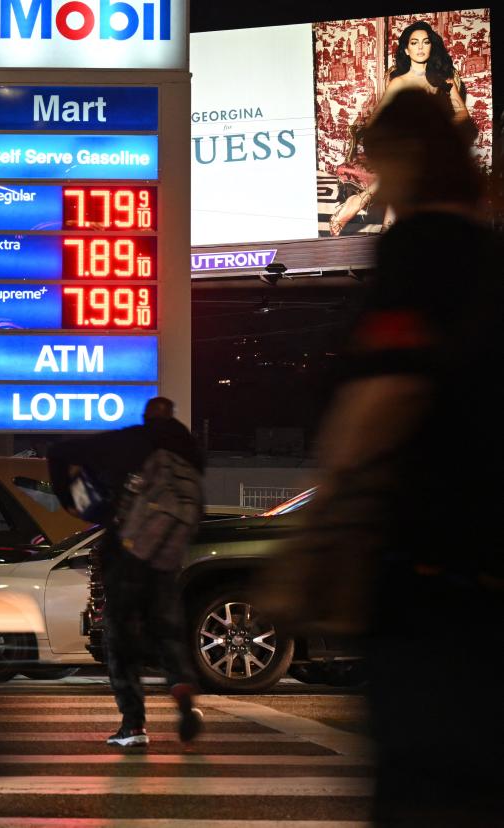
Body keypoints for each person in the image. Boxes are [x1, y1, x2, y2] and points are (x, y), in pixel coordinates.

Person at [261, 88, 501, 826]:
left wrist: (322, 512)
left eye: (374, 162)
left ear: (404, 160)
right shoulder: (491, 258)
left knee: (423, 787)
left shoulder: (421, 251)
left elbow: (382, 398)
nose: (370, 178)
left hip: (428, 579)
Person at [48, 397, 205, 747]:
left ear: (146, 416)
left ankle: (133, 724)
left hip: (127, 553)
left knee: (120, 636)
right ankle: (182, 692)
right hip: (165, 558)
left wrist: (73, 501)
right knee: (167, 632)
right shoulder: (192, 455)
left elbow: (59, 451)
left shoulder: (130, 440)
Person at [329, 20, 473, 235]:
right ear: (407, 49)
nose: (421, 47)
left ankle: (363, 205)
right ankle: (388, 225)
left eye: (425, 42)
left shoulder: (443, 78)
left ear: (431, 46)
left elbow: (462, 113)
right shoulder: (399, 82)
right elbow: (377, 118)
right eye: (414, 43)